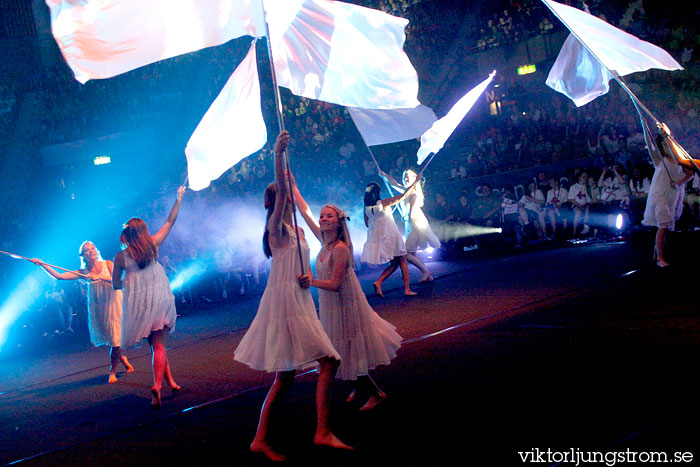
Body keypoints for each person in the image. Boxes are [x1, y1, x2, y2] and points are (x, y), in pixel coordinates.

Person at [234, 131, 351, 462]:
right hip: (285, 303)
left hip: (298, 299)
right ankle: (322, 432)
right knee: (329, 361)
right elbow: (285, 194)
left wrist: (287, 171)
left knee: (284, 378)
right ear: (273, 203)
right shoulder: (276, 229)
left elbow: (291, 193)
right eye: (278, 197)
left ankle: (261, 439)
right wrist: (277, 155)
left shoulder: (297, 230)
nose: (283, 200)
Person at [293, 186, 402, 411]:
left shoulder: (341, 248)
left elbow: (335, 284)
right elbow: (305, 213)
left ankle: (375, 392)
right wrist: (292, 187)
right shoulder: (324, 241)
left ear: (338, 222)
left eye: (328, 216)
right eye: (322, 216)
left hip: (344, 305)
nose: (323, 219)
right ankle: (361, 386)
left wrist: (309, 281)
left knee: (344, 351)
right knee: (338, 351)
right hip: (331, 307)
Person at [112, 185, 186, 408]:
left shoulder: (121, 257)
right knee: (159, 344)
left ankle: (167, 382)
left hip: (140, 305)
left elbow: (116, 285)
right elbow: (170, 222)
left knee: (156, 345)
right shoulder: (153, 243)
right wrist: (179, 199)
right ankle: (160, 384)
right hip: (159, 298)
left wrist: (126, 281)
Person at [32, 241, 134, 383]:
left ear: (96, 251)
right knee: (114, 338)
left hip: (115, 304)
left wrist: (99, 277)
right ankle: (120, 358)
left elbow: (118, 281)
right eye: (87, 250)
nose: (91, 251)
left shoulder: (108, 264)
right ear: (83, 255)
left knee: (116, 339)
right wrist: (42, 264)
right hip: (100, 306)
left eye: (93, 248)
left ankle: (112, 370)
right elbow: (59, 277)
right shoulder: (82, 272)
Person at [642, 125, 693, 267]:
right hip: (659, 194)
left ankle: (656, 254)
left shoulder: (680, 160)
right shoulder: (659, 160)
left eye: (666, 144)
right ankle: (660, 257)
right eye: (663, 145)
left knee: (663, 225)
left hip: (672, 194)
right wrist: (645, 127)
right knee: (663, 224)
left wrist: (678, 182)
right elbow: (650, 145)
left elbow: (690, 174)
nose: (665, 147)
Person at [361, 177, 420, 297]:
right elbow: (403, 196)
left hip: (378, 238)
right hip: (390, 235)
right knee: (402, 260)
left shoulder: (366, 209)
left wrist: (379, 219)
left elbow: (367, 224)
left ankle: (379, 282)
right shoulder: (383, 203)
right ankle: (407, 289)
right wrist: (415, 182)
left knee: (394, 263)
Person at [381, 169, 439, 282]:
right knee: (412, 253)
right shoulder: (407, 190)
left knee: (407, 253)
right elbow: (394, 183)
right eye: (404, 177)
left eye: (408, 176)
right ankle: (427, 274)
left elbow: (412, 213)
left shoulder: (413, 192)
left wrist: (406, 217)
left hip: (415, 223)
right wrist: (384, 174)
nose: (405, 179)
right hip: (411, 223)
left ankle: (426, 272)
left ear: (414, 178)